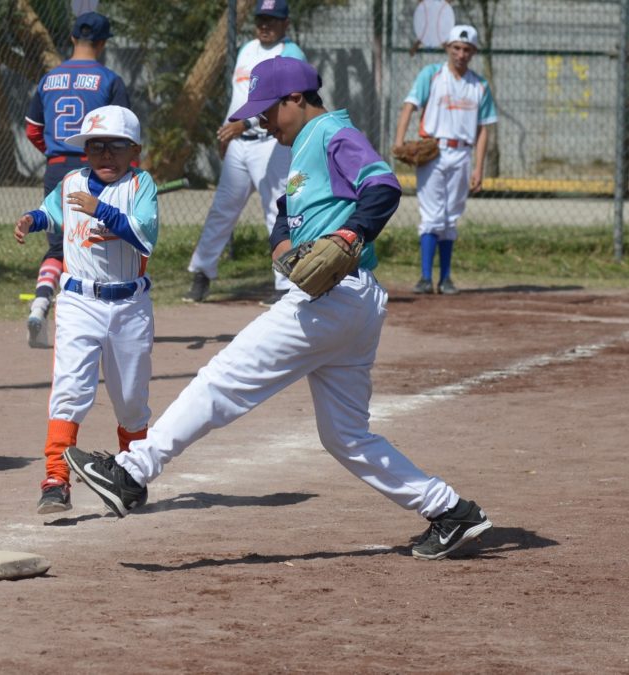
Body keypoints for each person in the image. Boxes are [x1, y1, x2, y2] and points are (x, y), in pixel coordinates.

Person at [64, 58, 493, 562]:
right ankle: (451, 512)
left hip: (334, 298)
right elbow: (284, 220)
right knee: (346, 436)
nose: (261, 121)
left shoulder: (334, 133)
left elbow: (383, 186)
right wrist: (283, 247)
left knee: (221, 378)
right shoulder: (298, 152)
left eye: (267, 110)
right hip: (344, 304)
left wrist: (349, 234)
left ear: (295, 99)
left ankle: (132, 473)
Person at [14, 105, 158, 515]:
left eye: (116, 146)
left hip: (129, 304)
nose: (105, 155)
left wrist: (104, 211)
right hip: (79, 302)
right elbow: (53, 212)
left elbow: (145, 234)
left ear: (134, 150)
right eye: (96, 147)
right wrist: (32, 219)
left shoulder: (141, 185)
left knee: (131, 401)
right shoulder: (72, 180)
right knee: (70, 392)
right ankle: (56, 480)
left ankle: (130, 475)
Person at [183, 0, 305, 306]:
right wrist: (227, 131)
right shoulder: (247, 49)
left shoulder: (290, 53)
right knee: (223, 209)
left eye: (272, 20)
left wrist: (245, 123)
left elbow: (281, 99)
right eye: (261, 19)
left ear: (285, 24)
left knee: (278, 212)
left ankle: (285, 284)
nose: (265, 26)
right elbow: (239, 97)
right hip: (239, 143)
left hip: (271, 143)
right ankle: (202, 274)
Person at [23, 11, 128, 349]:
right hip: (95, 167)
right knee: (99, 239)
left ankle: (41, 301)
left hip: (56, 167)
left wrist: (54, 153)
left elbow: (32, 130)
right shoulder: (109, 80)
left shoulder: (48, 79)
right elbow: (121, 133)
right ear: (103, 43)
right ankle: (97, 318)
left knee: (57, 245)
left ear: (71, 39)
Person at [392, 24, 497, 295]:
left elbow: (484, 128)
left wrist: (479, 167)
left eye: (466, 49)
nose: (461, 54)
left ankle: (446, 278)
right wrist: (399, 141)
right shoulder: (432, 75)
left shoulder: (479, 85)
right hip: (433, 151)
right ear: (447, 48)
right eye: (456, 48)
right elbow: (410, 105)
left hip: (462, 152)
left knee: (451, 217)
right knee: (431, 215)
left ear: (473, 52)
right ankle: (426, 278)